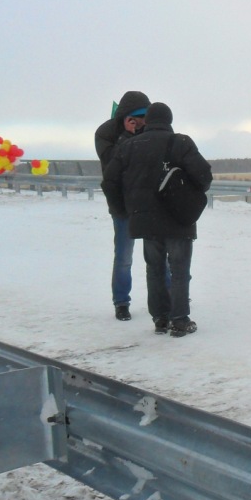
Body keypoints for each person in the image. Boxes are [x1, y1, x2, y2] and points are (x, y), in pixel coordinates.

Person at [101, 102, 212, 337]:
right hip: (178, 218)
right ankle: (180, 320)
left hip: (145, 220)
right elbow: (204, 176)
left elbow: (109, 181)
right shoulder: (180, 142)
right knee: (180, 271)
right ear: (169, 120)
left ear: (148, 121)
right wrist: (190, 195)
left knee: (155, 269)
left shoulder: (129, 146)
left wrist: (124, 209)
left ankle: (160, 319)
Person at [95, 91, 150, 320]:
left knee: (158, 255)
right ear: (126, 116)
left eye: (145, 116)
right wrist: (127, 136)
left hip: (148, 203)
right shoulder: (106, 132)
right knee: (124, 257)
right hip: (122, 204)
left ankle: (168, 295)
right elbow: (112, 164)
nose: (141, 121)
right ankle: (121, 302)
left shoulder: (153, 129)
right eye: (137, 117)